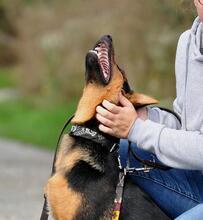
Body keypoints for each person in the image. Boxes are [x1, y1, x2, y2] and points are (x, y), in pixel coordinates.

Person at [95, 0, 203, 219]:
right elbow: (185, 125)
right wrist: (143, 117)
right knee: (125, 149)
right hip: (197, 184)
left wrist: (137, 129)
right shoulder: (187, 43)